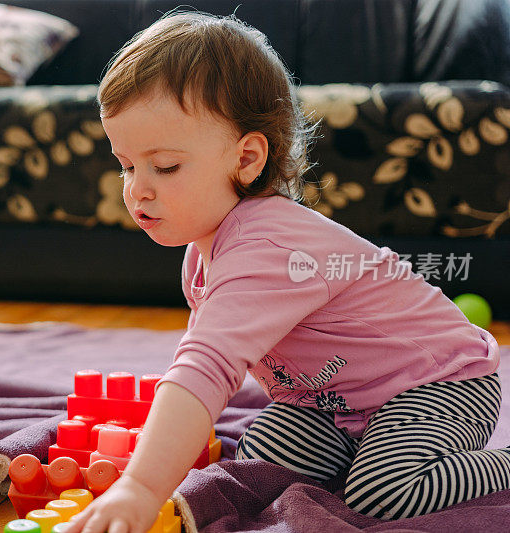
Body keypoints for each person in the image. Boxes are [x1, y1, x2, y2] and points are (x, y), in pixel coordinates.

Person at [64, 9, 507, 532]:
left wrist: (141, 487)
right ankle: (363, 446)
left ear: (247, 158)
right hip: (328, 401)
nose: (138, 188)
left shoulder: (269, 249)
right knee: (261, 459)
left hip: (435, 383)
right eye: (127, 165)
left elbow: (206, 366)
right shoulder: (203, 256)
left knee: (381, 492)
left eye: (165, 166)